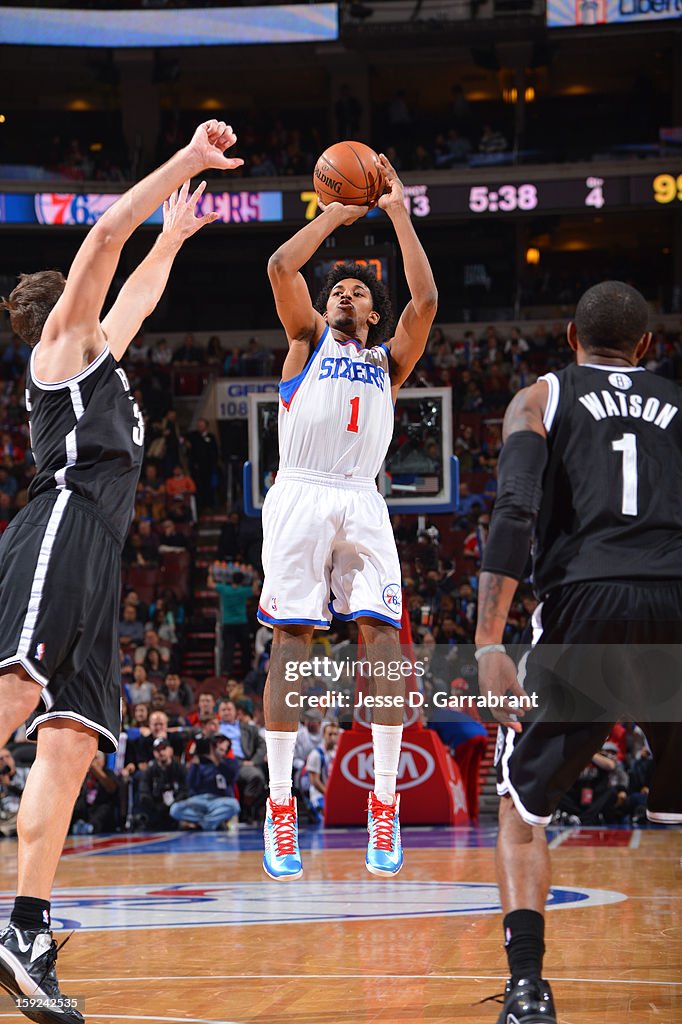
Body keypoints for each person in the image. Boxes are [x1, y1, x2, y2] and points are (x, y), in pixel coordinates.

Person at [0, 118, 243, 1020]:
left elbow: (135, 294)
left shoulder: (100, 358)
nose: (105, 303)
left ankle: (26, 927)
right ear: (64, 307)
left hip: (97, 549)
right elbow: (106, 240)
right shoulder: (60, 349)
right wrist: (186, 160)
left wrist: (175, 239)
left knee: (68, 743)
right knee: (16, 696)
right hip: (58, 526)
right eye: (89, 298)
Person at [474, 281, 682, 1024]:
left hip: (589, 598)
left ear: (570, 337)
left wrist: (488, 639)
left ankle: (528, 987)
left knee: (522, 808)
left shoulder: (540, 398)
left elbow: (515, 513)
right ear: (647, 347)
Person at [261, 153, 437, 880]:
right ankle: (278, 811)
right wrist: (336, 209)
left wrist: (395, 209)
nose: (345, 291)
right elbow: (280, 265)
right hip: (300, 491)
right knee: (292, 645)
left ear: (373, 314)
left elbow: (424, 304)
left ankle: (385, 802)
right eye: (338, 287)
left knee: (384, 643)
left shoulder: (391, 362)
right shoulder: (304, 342)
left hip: (362, 494)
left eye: (358, 290)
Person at [169, 735, 240, 831]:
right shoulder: (199, 763)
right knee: (175, 809)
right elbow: (191, 784)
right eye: (218, 747)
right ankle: (212, 822)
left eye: (223, 749)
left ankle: (203, 823)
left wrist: (217, 762)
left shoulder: (230, 763)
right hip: (198, 800)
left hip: (219, 801)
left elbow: (231, 777)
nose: (221, 751)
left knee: (234, 805)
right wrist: (195, 764)